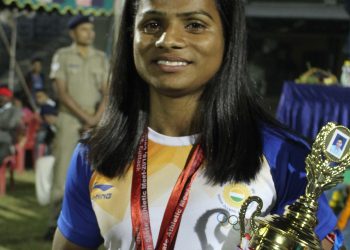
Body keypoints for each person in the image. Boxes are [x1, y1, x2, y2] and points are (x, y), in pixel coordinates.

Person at [52, 0, 341, 249]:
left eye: (194, 24)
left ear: (228, 37)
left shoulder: (281, 155)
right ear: (131, 36)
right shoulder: (96, 154)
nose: (168, 39)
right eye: (152, 24)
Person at [45, 14, 109, 239]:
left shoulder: (101, 58)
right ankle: (56, 223)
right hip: (68, 120)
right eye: (84, 29)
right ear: (73, 33)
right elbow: (61, 93)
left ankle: (94, 223)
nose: (89, 33)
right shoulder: (62, 56)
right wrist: (85, 118)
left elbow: (107, 91)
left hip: (96, 120)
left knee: (98, 172)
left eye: (91, 29)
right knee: (62, 171)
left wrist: (94, 119)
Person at [0, 86, 22, 164]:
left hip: (6, 141)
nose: (1, 98)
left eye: (3, 96)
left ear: (9, 98)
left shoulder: (14, 110)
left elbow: (11, 124)